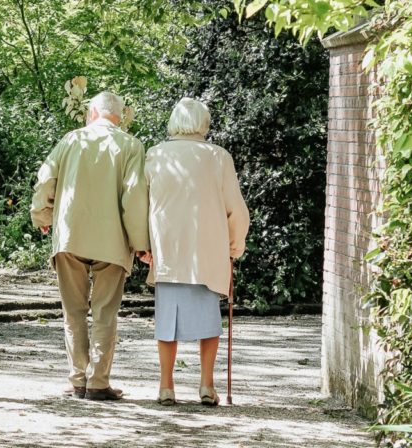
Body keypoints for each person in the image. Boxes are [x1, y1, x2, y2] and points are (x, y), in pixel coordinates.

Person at [30, 91, 149, 401]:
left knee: (73, 312)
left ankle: (78, 379)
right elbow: (134, 197)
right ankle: (98, 383)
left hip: (70, 236)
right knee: (105, 313)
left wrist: (42, 215)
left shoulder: (70, 140)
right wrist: (140, 244)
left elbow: (45, 181)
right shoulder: (131, 146)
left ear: (93, 111)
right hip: (112, 241)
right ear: (119, 117)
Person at [141, 98, 250, 406]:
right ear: (205, 123)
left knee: (166, 322)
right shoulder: (218, 157)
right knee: (209, 321)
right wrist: (234, 245)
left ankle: (166, 386)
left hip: (169, 249)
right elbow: (237, 210)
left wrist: (143, 245)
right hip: (207, 251)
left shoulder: (156, 155)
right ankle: (206, 384)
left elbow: (142, 205)